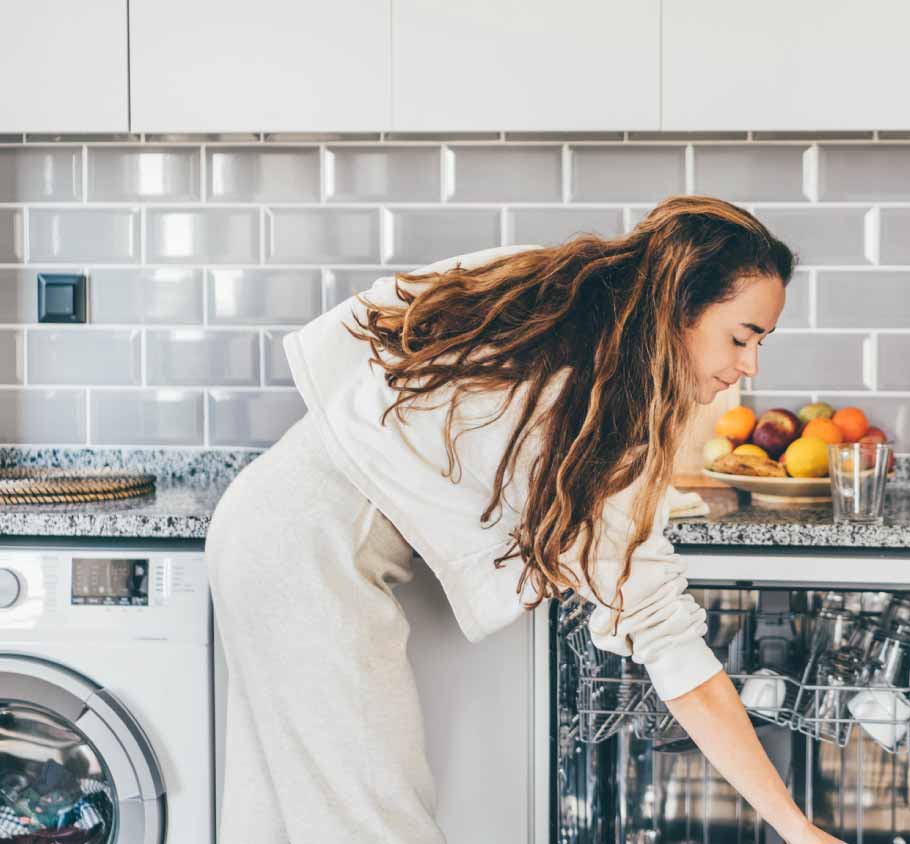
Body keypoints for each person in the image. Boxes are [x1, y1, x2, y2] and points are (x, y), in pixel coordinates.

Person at [206, 196, 841, 843]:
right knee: (373, 821)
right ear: (682, 305)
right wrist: (796, 829)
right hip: (304, 553)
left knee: (279, 818)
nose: (750, 366)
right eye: (742, 337)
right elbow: (673, 651)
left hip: (272, 520)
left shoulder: (559, 298)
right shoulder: (595, 400)